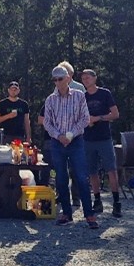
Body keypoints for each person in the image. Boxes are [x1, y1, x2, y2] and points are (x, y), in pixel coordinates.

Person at [43, 64, 96, 228]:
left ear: (67, 78)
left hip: (76, 141)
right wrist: (58, 136)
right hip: (57, 142)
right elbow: (47, 122)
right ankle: (66, 213)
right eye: (55, 80)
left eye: (60, 79)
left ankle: (89, 214)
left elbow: (85, 118)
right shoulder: (50, 99)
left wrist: (71, 134)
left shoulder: (79, 96)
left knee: (81, 177)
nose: (57, 82)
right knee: (61, 178)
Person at [80, 69, 121, 217]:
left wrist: (98, 118)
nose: (86, 80)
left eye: (88, 77)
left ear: (95, 78)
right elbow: (78, 117)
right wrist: (87, 121)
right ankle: (97, 201)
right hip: (88, 139)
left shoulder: (105, 94)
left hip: (104, 138)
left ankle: (116, 202)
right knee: (92, 172)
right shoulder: (82, 97)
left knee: (111, 170)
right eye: (83, 78)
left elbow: (115, 114)